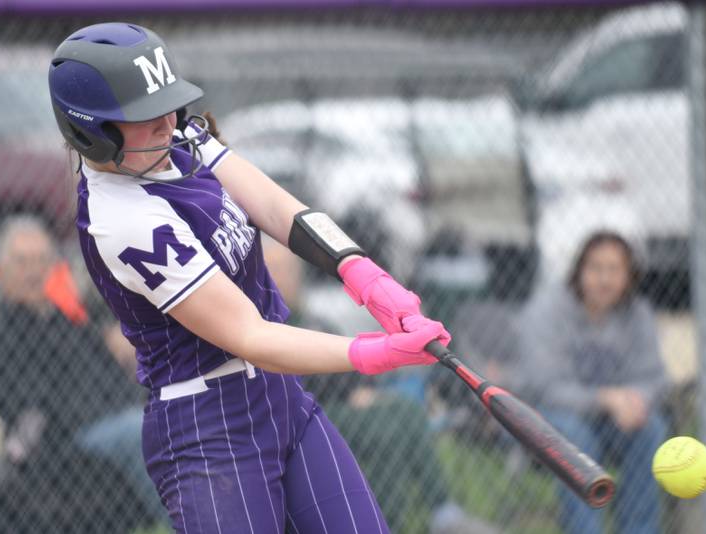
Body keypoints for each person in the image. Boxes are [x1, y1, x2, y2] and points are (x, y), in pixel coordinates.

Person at [48, 22, 450, 533]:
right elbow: (248, 335)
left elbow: (273, 205)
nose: (168, 121)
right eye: (145, 116)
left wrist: (362, 273)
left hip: (282, 399)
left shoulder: (174, 142)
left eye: (168, 105)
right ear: (92, 132)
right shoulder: (122, 219)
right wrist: (373, 352)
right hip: (208, 434)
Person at [263, 237, 502, 534]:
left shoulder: (314, 319)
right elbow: (296, 379)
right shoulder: (270, 325)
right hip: (308, 414)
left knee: (406, 412)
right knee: (387, 429)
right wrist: (349, 394)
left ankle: (441, 511)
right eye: (276, 269)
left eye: (290, 269)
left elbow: (346, 364)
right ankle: (405, 519)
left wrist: (360, 390)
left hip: (349, 399)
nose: (287, 277)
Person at [0, 215, 154, 534]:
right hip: (69, 439)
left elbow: (111, 372)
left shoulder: (66, 318)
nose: (33, 271)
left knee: (162, 418)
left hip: (115, 417)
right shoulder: (0, 337)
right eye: (22, 262)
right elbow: (31, 408)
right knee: (140, 430)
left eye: (41, 260)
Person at [516, 231, 669, 534]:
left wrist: (635, 400)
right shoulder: (547, 311)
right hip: (547, 420)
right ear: (579, 270)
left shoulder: (637, 314)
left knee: (650, 428)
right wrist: (605, 398)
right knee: (574, 435)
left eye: (614, 270)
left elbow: (655, 378)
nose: (604, 279)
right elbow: (542, 387)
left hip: (612, 422)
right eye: (596, 268)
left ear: (629, 276)